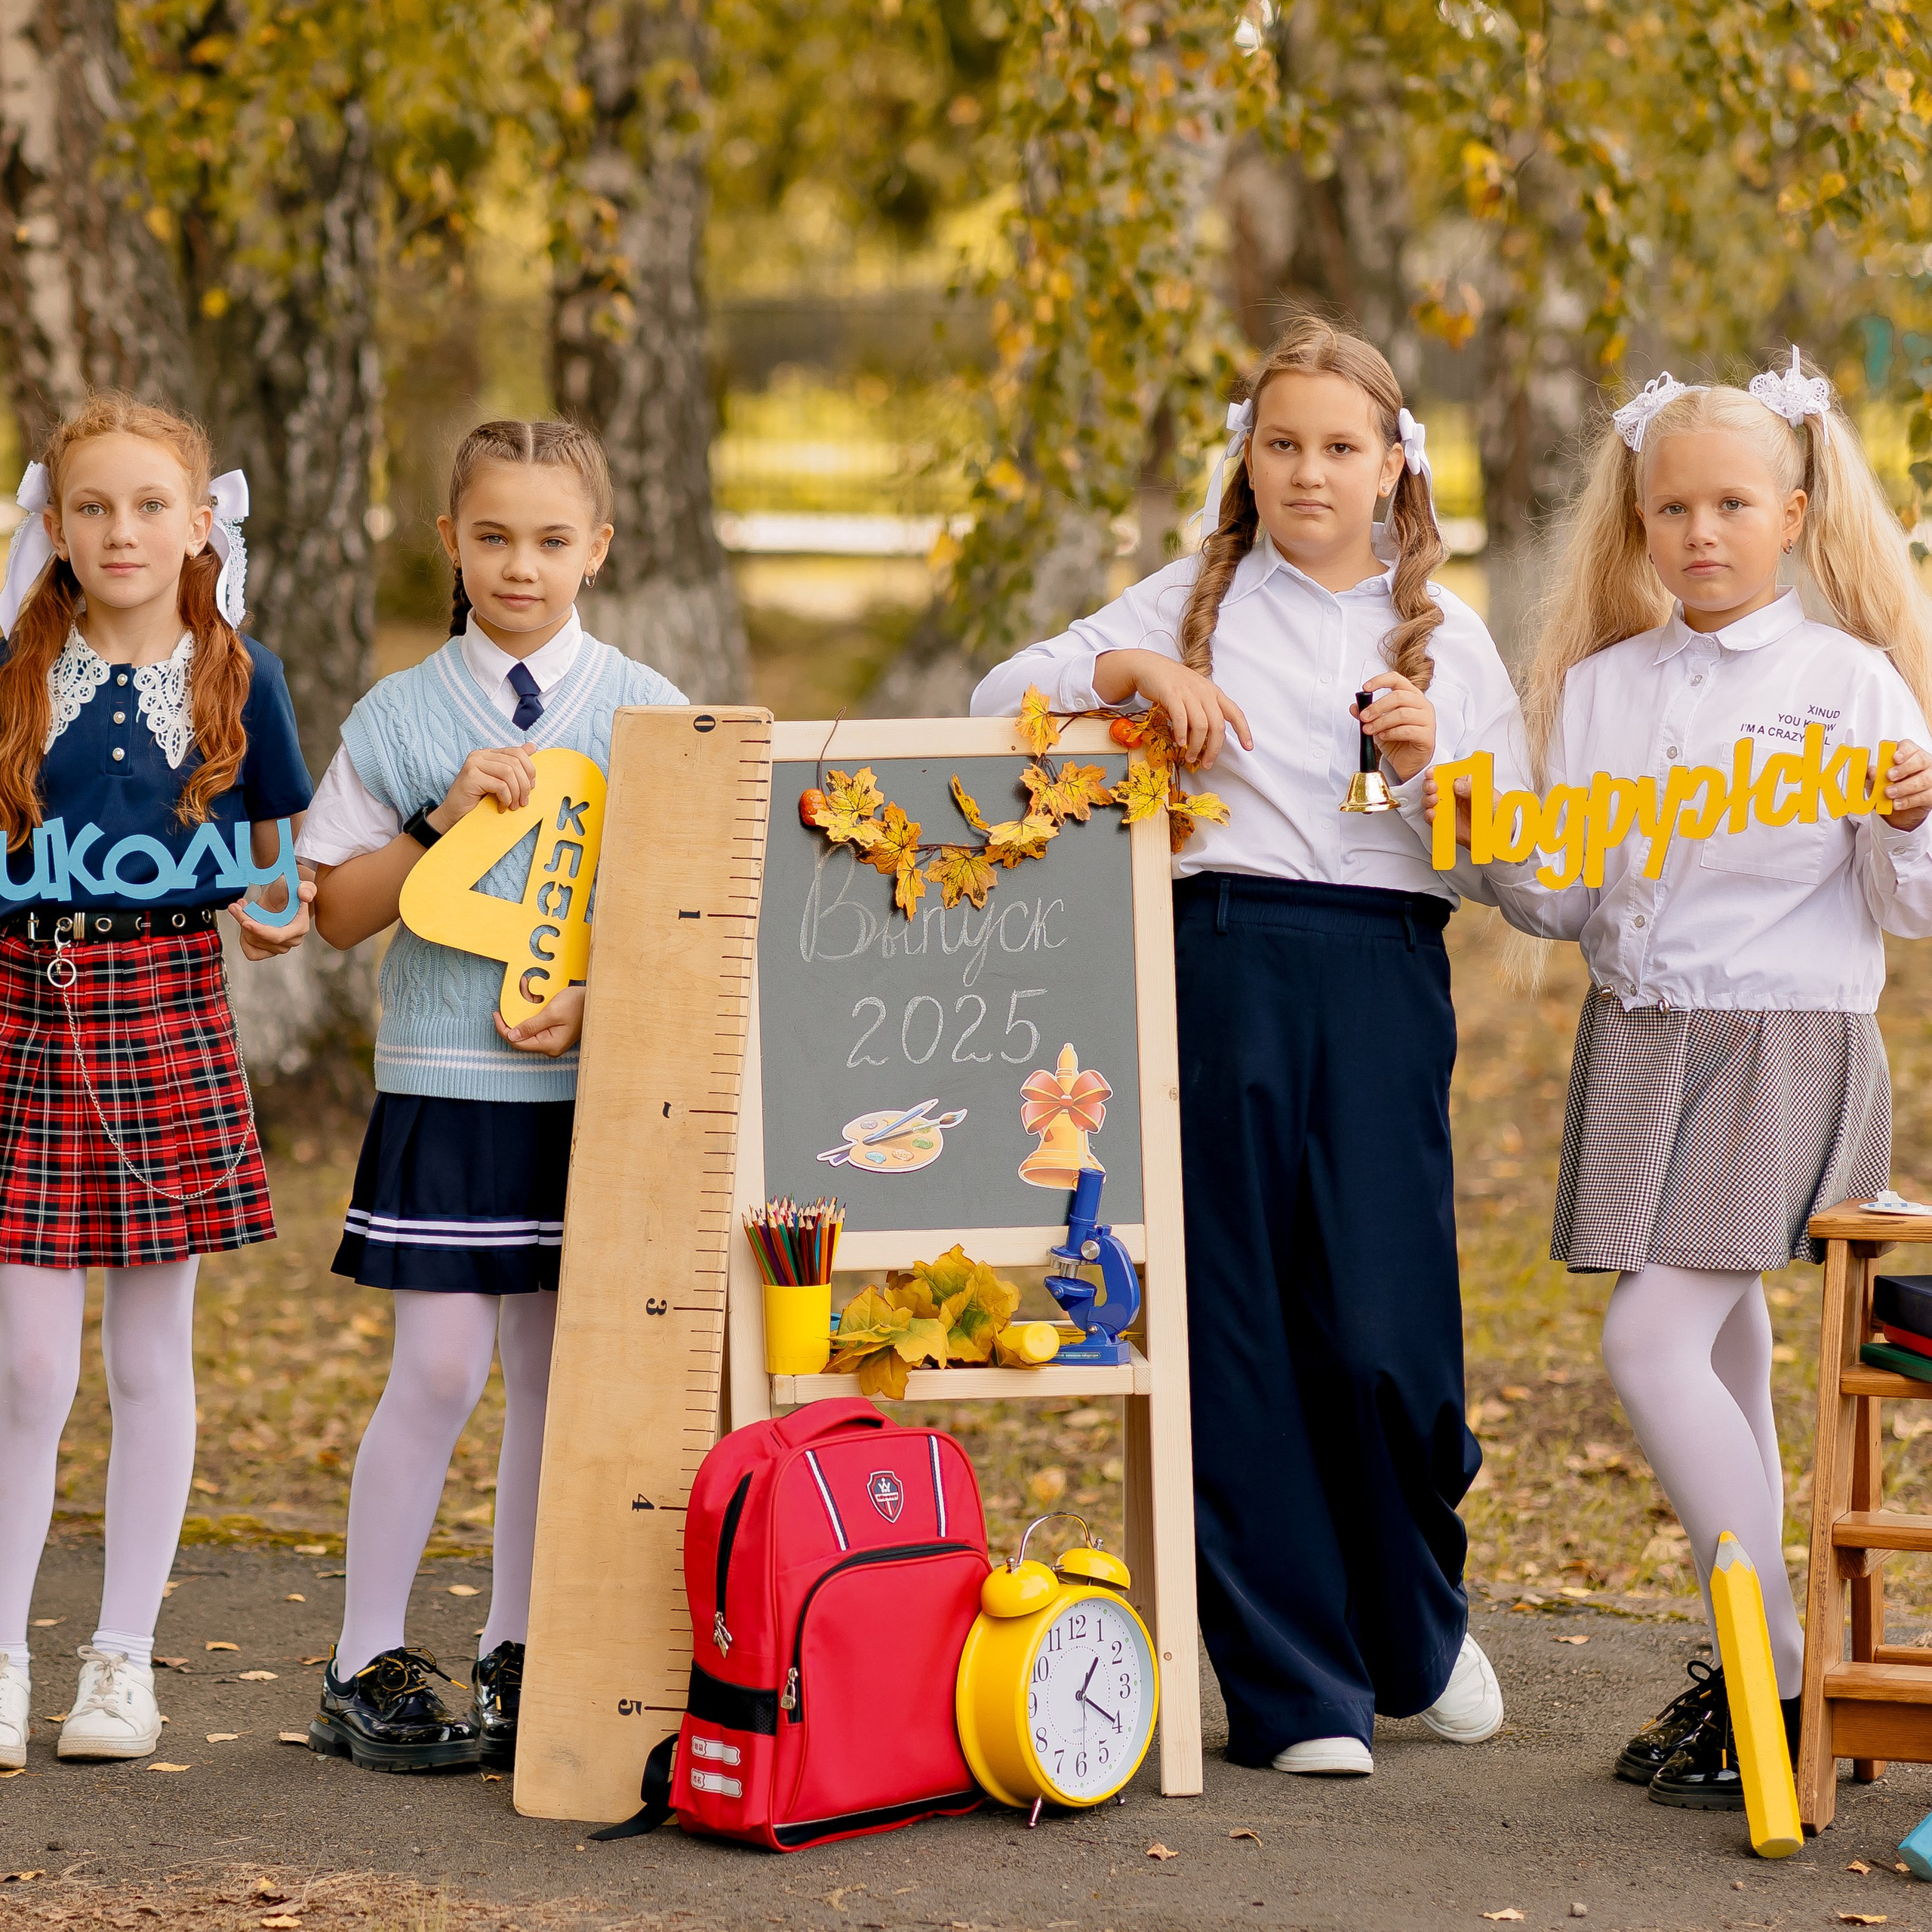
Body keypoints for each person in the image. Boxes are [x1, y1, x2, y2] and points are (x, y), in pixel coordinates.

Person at [971, 318, 1516, 1777]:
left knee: (1390, 1340)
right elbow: (994, 703)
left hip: (1383, 977)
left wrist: (1435, 770)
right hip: (1217, 970)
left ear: (1395, 466)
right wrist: (1134, 673)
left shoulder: (1450, 637)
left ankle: (1413, 1626)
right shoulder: (1191, 597)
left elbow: (1521, 873)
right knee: (1238, 1327)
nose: (1308, 472)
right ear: (1248, 455)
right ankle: (1296, 1692)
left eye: (1340, 447)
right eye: (1283, 444)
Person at [1462, 352, 1932, 1807]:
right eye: (1673, 508)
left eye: (1733, 503)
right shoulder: (1602, 690)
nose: (1702, 532)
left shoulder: (1849, 684)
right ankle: (1752, 1670)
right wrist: (1453, 800)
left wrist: (1915, 820)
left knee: (1649, 1343)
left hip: (1782, 1045)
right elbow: (1556, 898)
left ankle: (1775, 1670)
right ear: (1640, 522)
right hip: (1642, 1044)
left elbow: (1909, 908)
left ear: (1795, 512)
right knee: (1724, 1351)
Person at [297, 419, 685, 1774]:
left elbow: (686, 909)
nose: (523, 564)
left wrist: (604, 996)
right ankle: (361, 1660)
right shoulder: (401, 715)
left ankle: (520, 1648)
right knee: (442, 1368)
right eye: (495, 536)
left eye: (553, 538)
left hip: (593, 1096)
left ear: (600, 548)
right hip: (445, 1091)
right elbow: (336, 914)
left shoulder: (648, 708)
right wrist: (439, 823)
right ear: (450, 543)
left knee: (554, 1382)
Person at [0, 392, 314, 1770]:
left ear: (200, 525)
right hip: (22, 1011)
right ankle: (0, 1658)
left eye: (148, 506)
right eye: (92, 507)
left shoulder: (243, 677)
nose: (119, 531)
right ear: (55, 526)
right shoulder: (11, 671)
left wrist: (276, 910)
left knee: (148, 1357)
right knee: (24, 1367)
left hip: (164, 1012)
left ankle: (120, 1663)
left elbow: (275, 859)